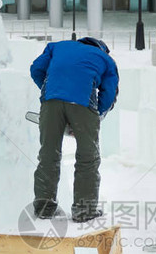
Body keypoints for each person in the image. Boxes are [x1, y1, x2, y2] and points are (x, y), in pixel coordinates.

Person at [30, 38, 119, 223]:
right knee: (88, 157)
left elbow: (36, 69)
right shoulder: (106, 59)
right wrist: (96, 115)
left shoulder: (57, 46)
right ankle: (84, 211)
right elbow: (109, 94)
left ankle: (44, 208)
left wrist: (51, 92)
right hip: (83, 102)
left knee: (48, 154)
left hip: (51, 102)